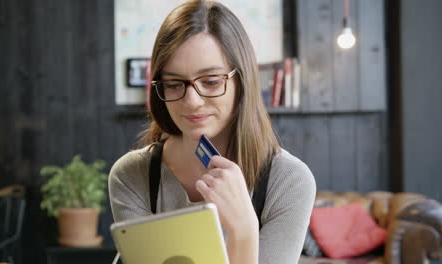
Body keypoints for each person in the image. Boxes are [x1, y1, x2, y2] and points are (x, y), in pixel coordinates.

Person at [108, 0, 316, 263]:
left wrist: (243, 231)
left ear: (243, 80)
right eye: (173, 84)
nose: (192, 101)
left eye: (211, 81)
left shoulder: (288, 181)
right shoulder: (132, 175)